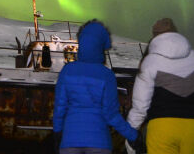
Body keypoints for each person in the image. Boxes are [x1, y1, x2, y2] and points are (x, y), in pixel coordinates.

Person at [53, 19, 144, 154]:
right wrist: (134, 136)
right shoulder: (107, 75)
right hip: (100, 143)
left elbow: (60, 108)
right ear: (100, 47)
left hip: (69, 142)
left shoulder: (67, 71)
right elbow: (112, 115)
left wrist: (57, 134)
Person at [127, 18, 194, 154]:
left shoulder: (150, 62)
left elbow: (141, 104)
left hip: (161, 126)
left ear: (155, 36)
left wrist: (132, 130)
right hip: (192, 127)